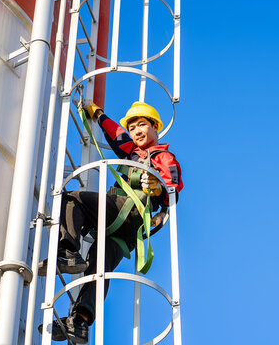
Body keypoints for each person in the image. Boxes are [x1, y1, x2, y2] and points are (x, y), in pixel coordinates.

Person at [38, 101, 183, 343]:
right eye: (133, 126)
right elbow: (118, 136)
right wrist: (99, 115)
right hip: (125, 231)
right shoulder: (133, 153)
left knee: (73, 199)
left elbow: (173, 190)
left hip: (129, 213)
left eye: (142, 125)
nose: (137, 130)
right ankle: (81, 321)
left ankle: (68, 252)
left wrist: (157, 187)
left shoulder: (163, 156)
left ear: (155, 127)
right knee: (99, 269)